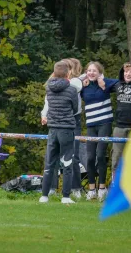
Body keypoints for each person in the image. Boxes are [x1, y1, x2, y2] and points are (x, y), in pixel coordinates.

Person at [41, 58, 84, 199]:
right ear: (68, 74)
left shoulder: (48, 88)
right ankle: (66, 196)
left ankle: (44, 196)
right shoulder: (71, 89)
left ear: (54, 73)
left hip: (52, 129)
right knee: (67, 163)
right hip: (66, 129)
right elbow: (74, 108)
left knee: (49, 163)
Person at [80, 61, 119, 201]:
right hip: (91, 125)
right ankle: (92, 189)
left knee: (101, 155)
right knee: (90, 157)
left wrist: (103, 82)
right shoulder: (83, 85)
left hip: (104, 123)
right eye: (89, 70)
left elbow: (122, 82)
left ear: (100, 73)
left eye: (94, 71)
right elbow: (70, 82)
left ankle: (102, 188)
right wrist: (82, 79)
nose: (91, 73)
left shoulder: (106, 83)